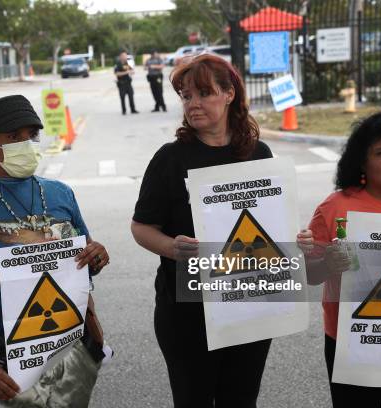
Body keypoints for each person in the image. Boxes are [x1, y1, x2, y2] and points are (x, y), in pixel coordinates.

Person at [0, 95, 110, 407]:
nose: (26, 144)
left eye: (32, 135)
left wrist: (95, 256)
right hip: (8, 365)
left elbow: (82, 263)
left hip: (70, 350)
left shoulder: (61, 194)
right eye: (13, 137)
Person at [131, 54, 273, 407]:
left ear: (229, 94)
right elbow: (141, 226)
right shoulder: (170, 158)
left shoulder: (259, 154)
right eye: (186, 96)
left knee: (240, 400)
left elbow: (270, 223)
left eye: (203, 93)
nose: (192, 104)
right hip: (187, 310)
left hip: (248, 303)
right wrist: (170, 247)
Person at [297, 111, 381, 407]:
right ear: (362, 160)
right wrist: (326, 263)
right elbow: (308, 275)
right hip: (352, 343)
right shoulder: (334, 207)